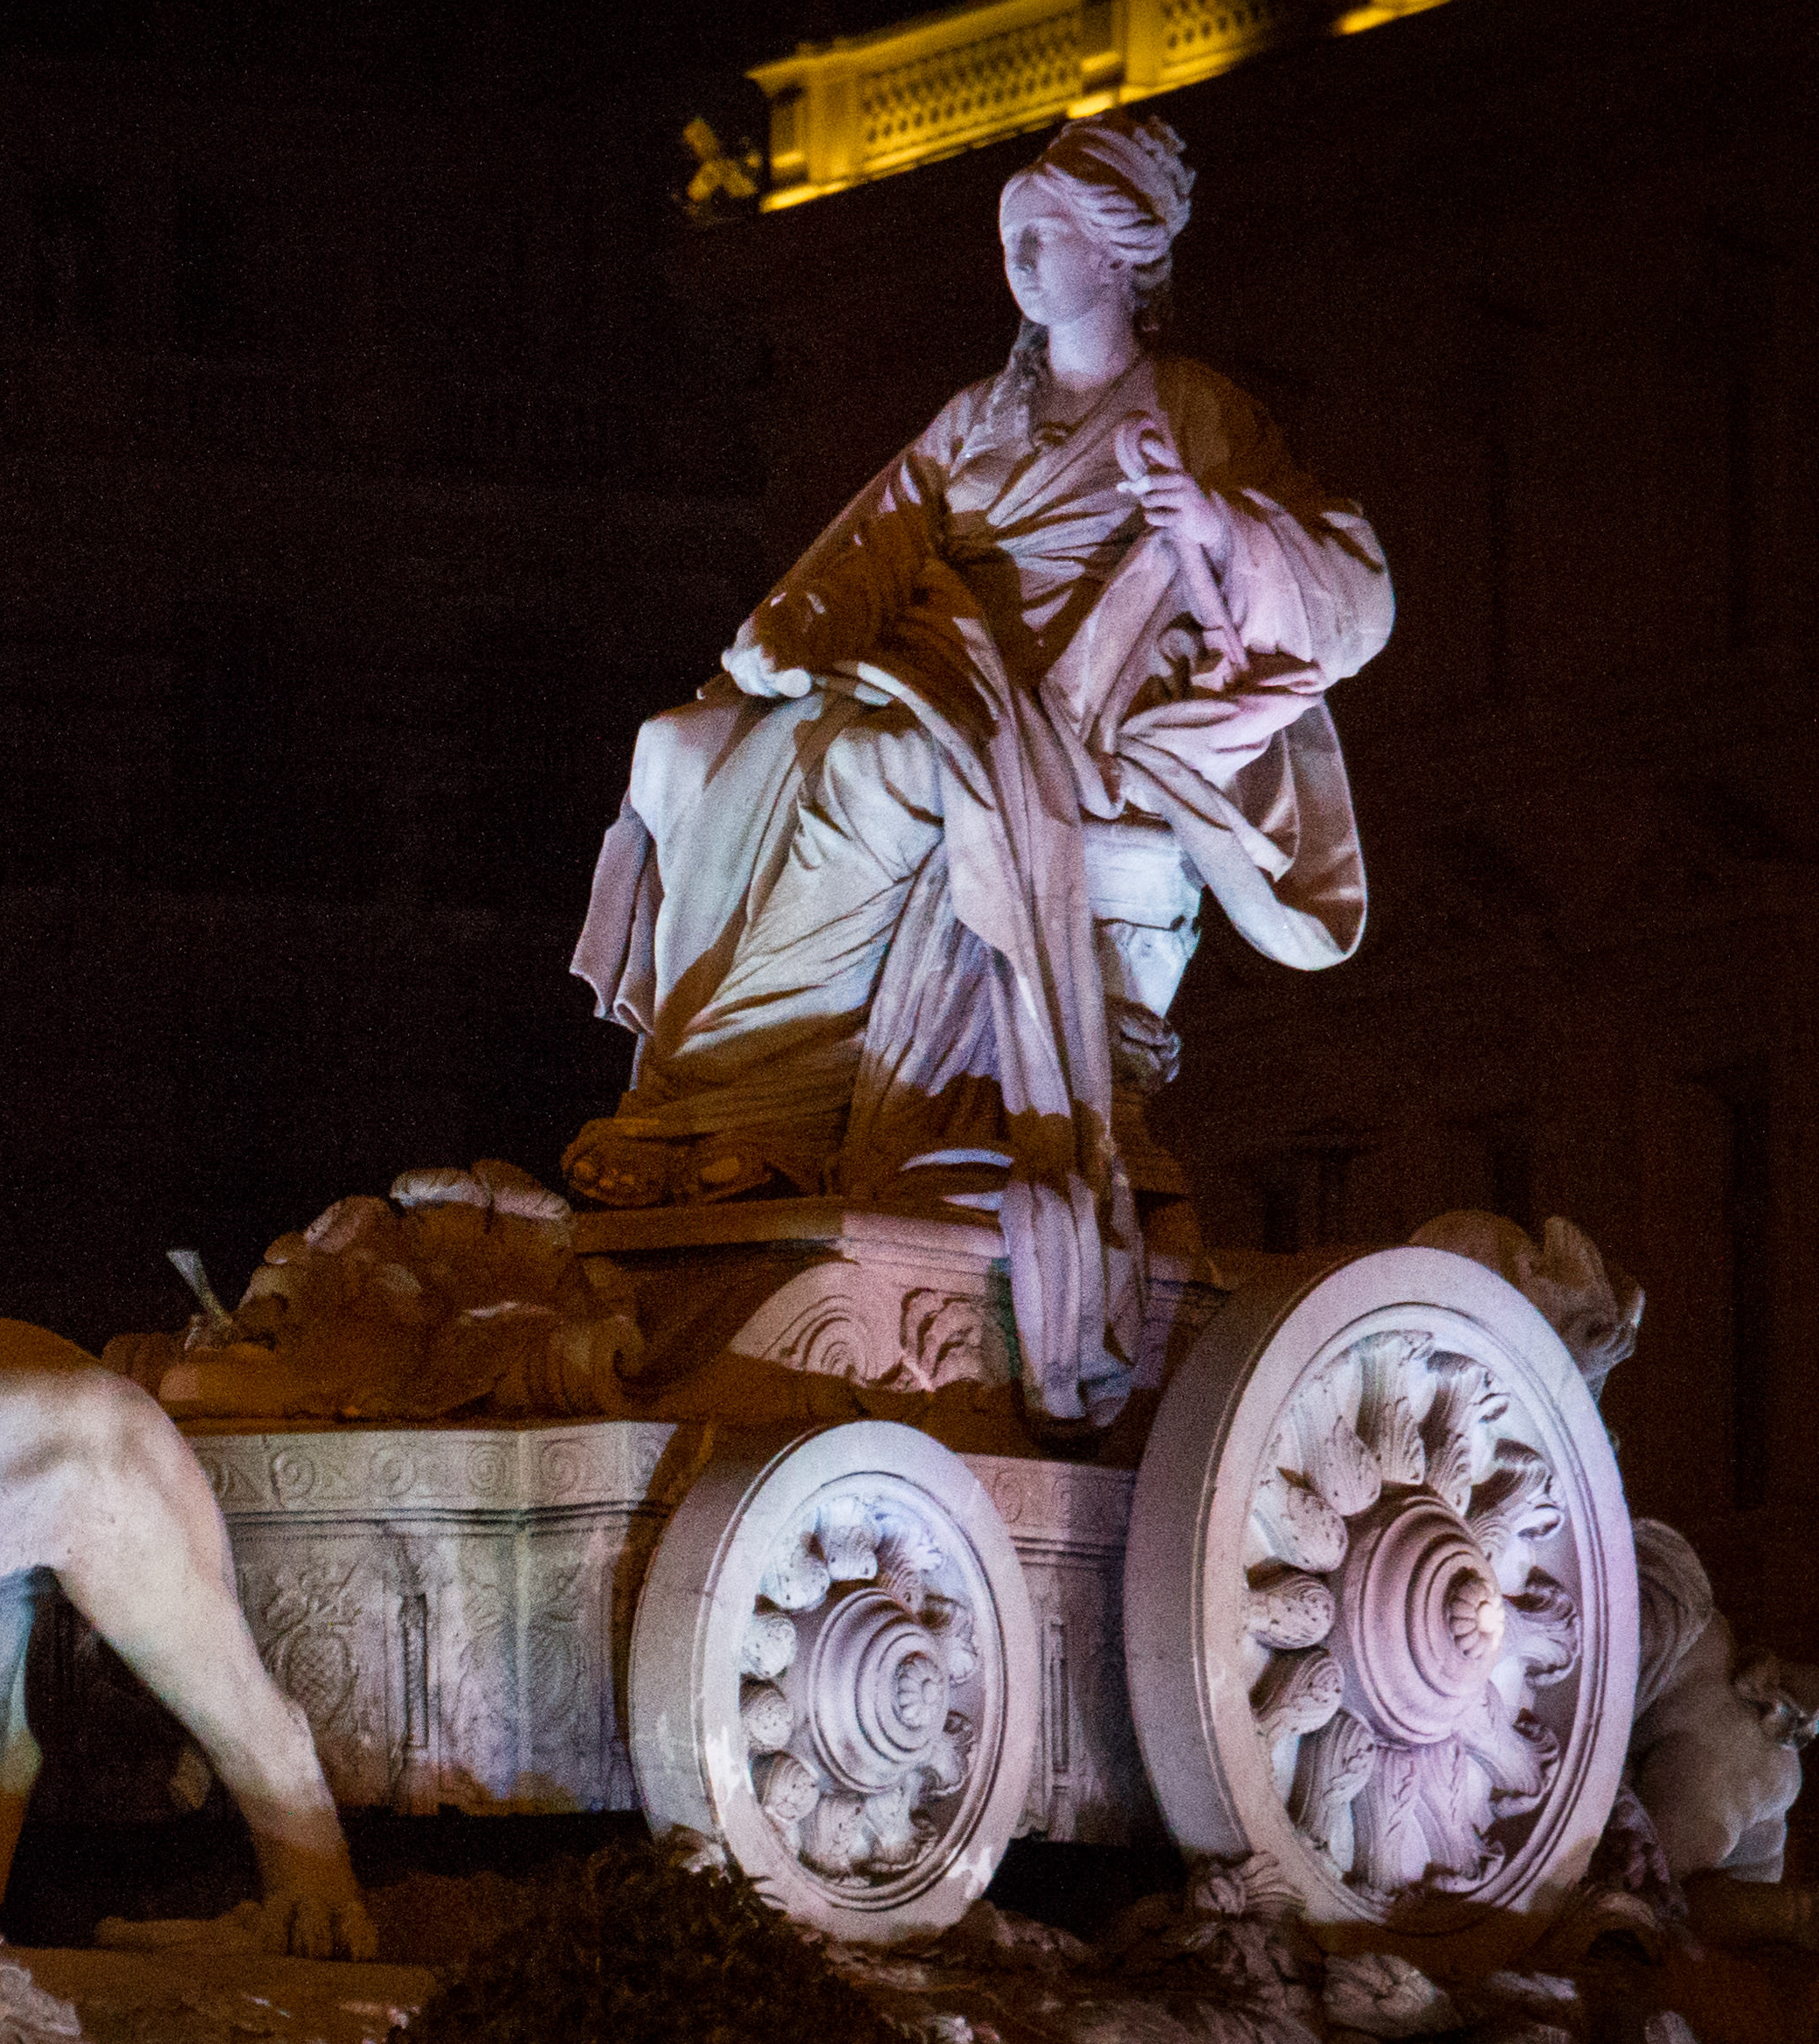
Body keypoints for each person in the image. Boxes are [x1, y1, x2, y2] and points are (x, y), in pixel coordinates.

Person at [568, 111, 1393, 1431]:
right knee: (679, 745)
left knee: (879, 769)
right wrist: (797, 629)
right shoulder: (977, 417)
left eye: (1045, 233)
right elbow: (875, 548)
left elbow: (1350, 589)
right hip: (939, 677)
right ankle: (702, 1096)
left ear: (1118, 252)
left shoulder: (1194, 410)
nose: (1020, 258)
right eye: (1012, 234)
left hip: (1071, 723)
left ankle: (764, 1098)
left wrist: (1214, 524)